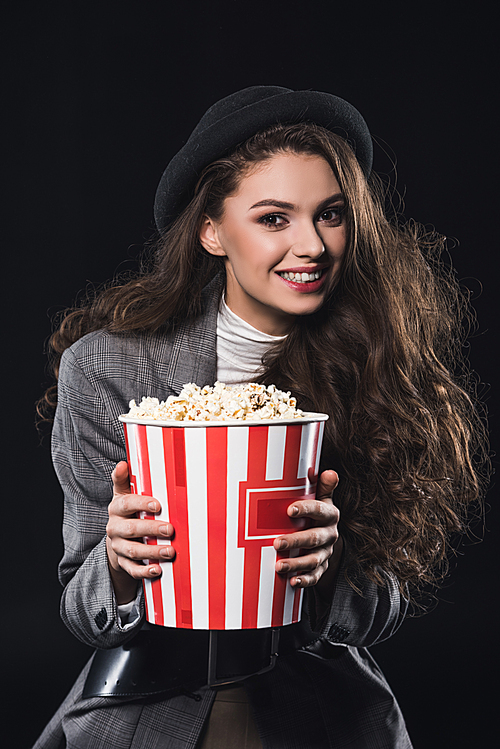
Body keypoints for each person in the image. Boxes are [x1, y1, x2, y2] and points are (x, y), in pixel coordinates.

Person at [34, 86, 488, 749]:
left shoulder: (375, 364)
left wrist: (332, 565)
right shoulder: (106, 371)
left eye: (330, 215)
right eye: (274, 218)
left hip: (319, 706)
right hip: (148, 704)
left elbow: (381, 604)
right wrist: (121, 561)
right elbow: (84, 608)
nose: (311, 245)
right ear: (212, 231)